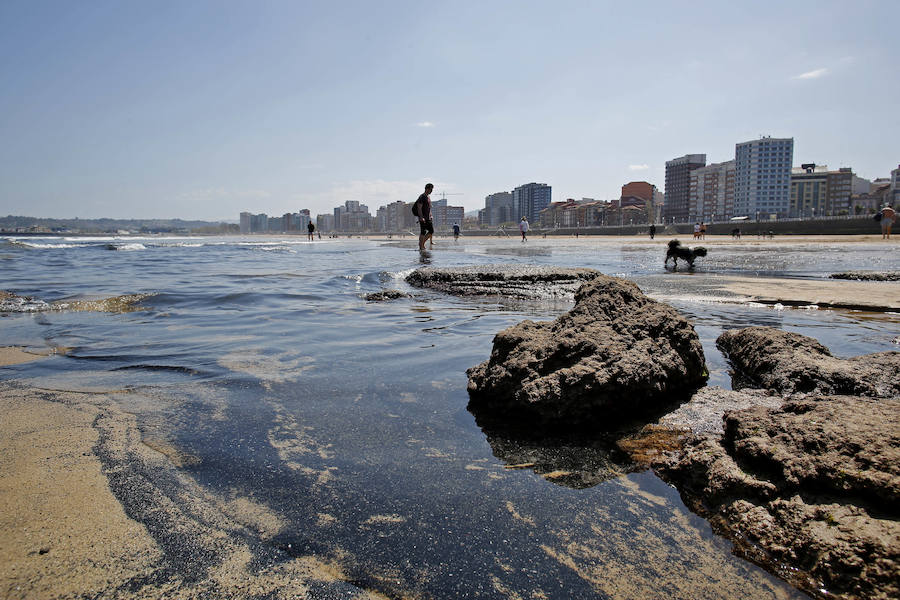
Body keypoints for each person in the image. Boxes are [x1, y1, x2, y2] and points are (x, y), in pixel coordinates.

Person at [416, 183, 434, 250]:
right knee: (423, 232)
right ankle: (421, 246)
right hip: (423, 218)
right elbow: (419, 207)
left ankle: (421, 243)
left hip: (428, 218)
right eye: (430, 189)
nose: (431, 191)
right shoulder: (422, 197)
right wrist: (421, 217)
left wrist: (431, 215)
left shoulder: (428, 197)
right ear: (427, 189)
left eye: (432, 189)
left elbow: (429, 208)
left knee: (431, 231)